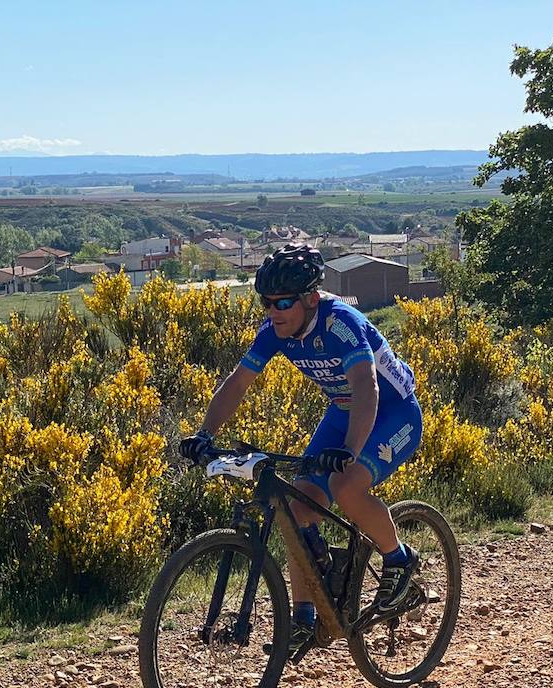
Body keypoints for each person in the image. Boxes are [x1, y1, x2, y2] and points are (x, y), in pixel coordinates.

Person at [179, 244, 424, 654]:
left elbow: (368, 389)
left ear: (311, 298)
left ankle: (398, 558)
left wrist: (347, 451)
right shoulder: (274, 331)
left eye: (283, 302)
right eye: (266, 302)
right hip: (345, 410)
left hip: (392, 412)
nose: (273, 310)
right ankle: (306, 619)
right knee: (298, 508)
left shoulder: (341, 324)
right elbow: (237, 384)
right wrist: (203, 434)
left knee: (346, 488)